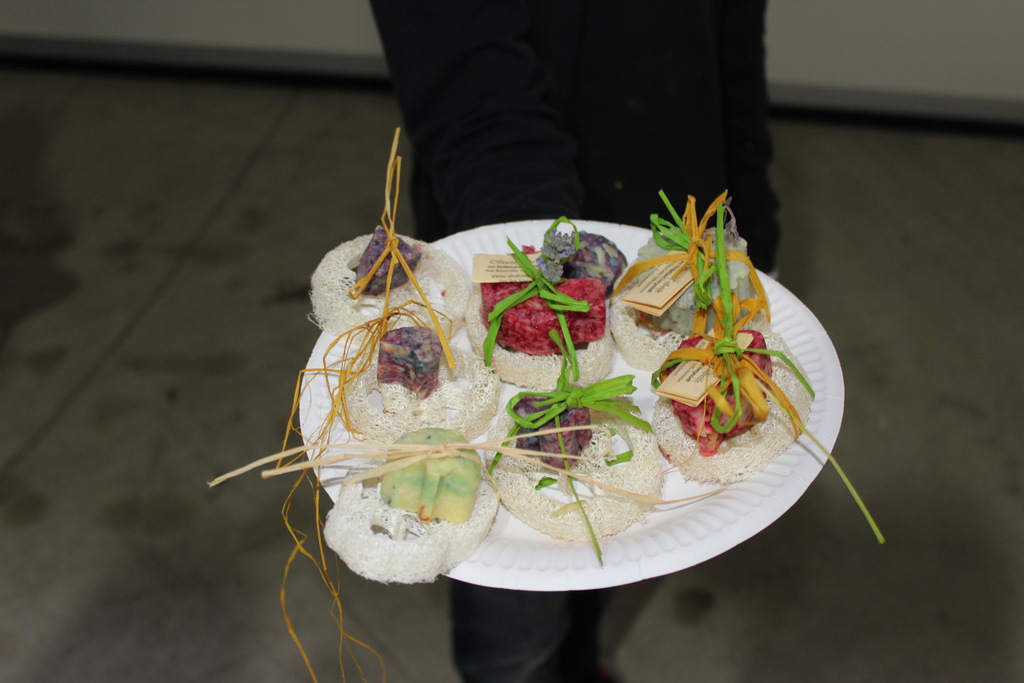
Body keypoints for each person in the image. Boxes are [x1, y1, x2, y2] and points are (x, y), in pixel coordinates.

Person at [368, 2, 780, 681]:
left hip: (674, 224)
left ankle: (583, 659)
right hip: (505, 214)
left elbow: (733, 44)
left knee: (620, 529)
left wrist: (755, 225)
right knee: (516, 614)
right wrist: (539, 282)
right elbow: (469, 83)